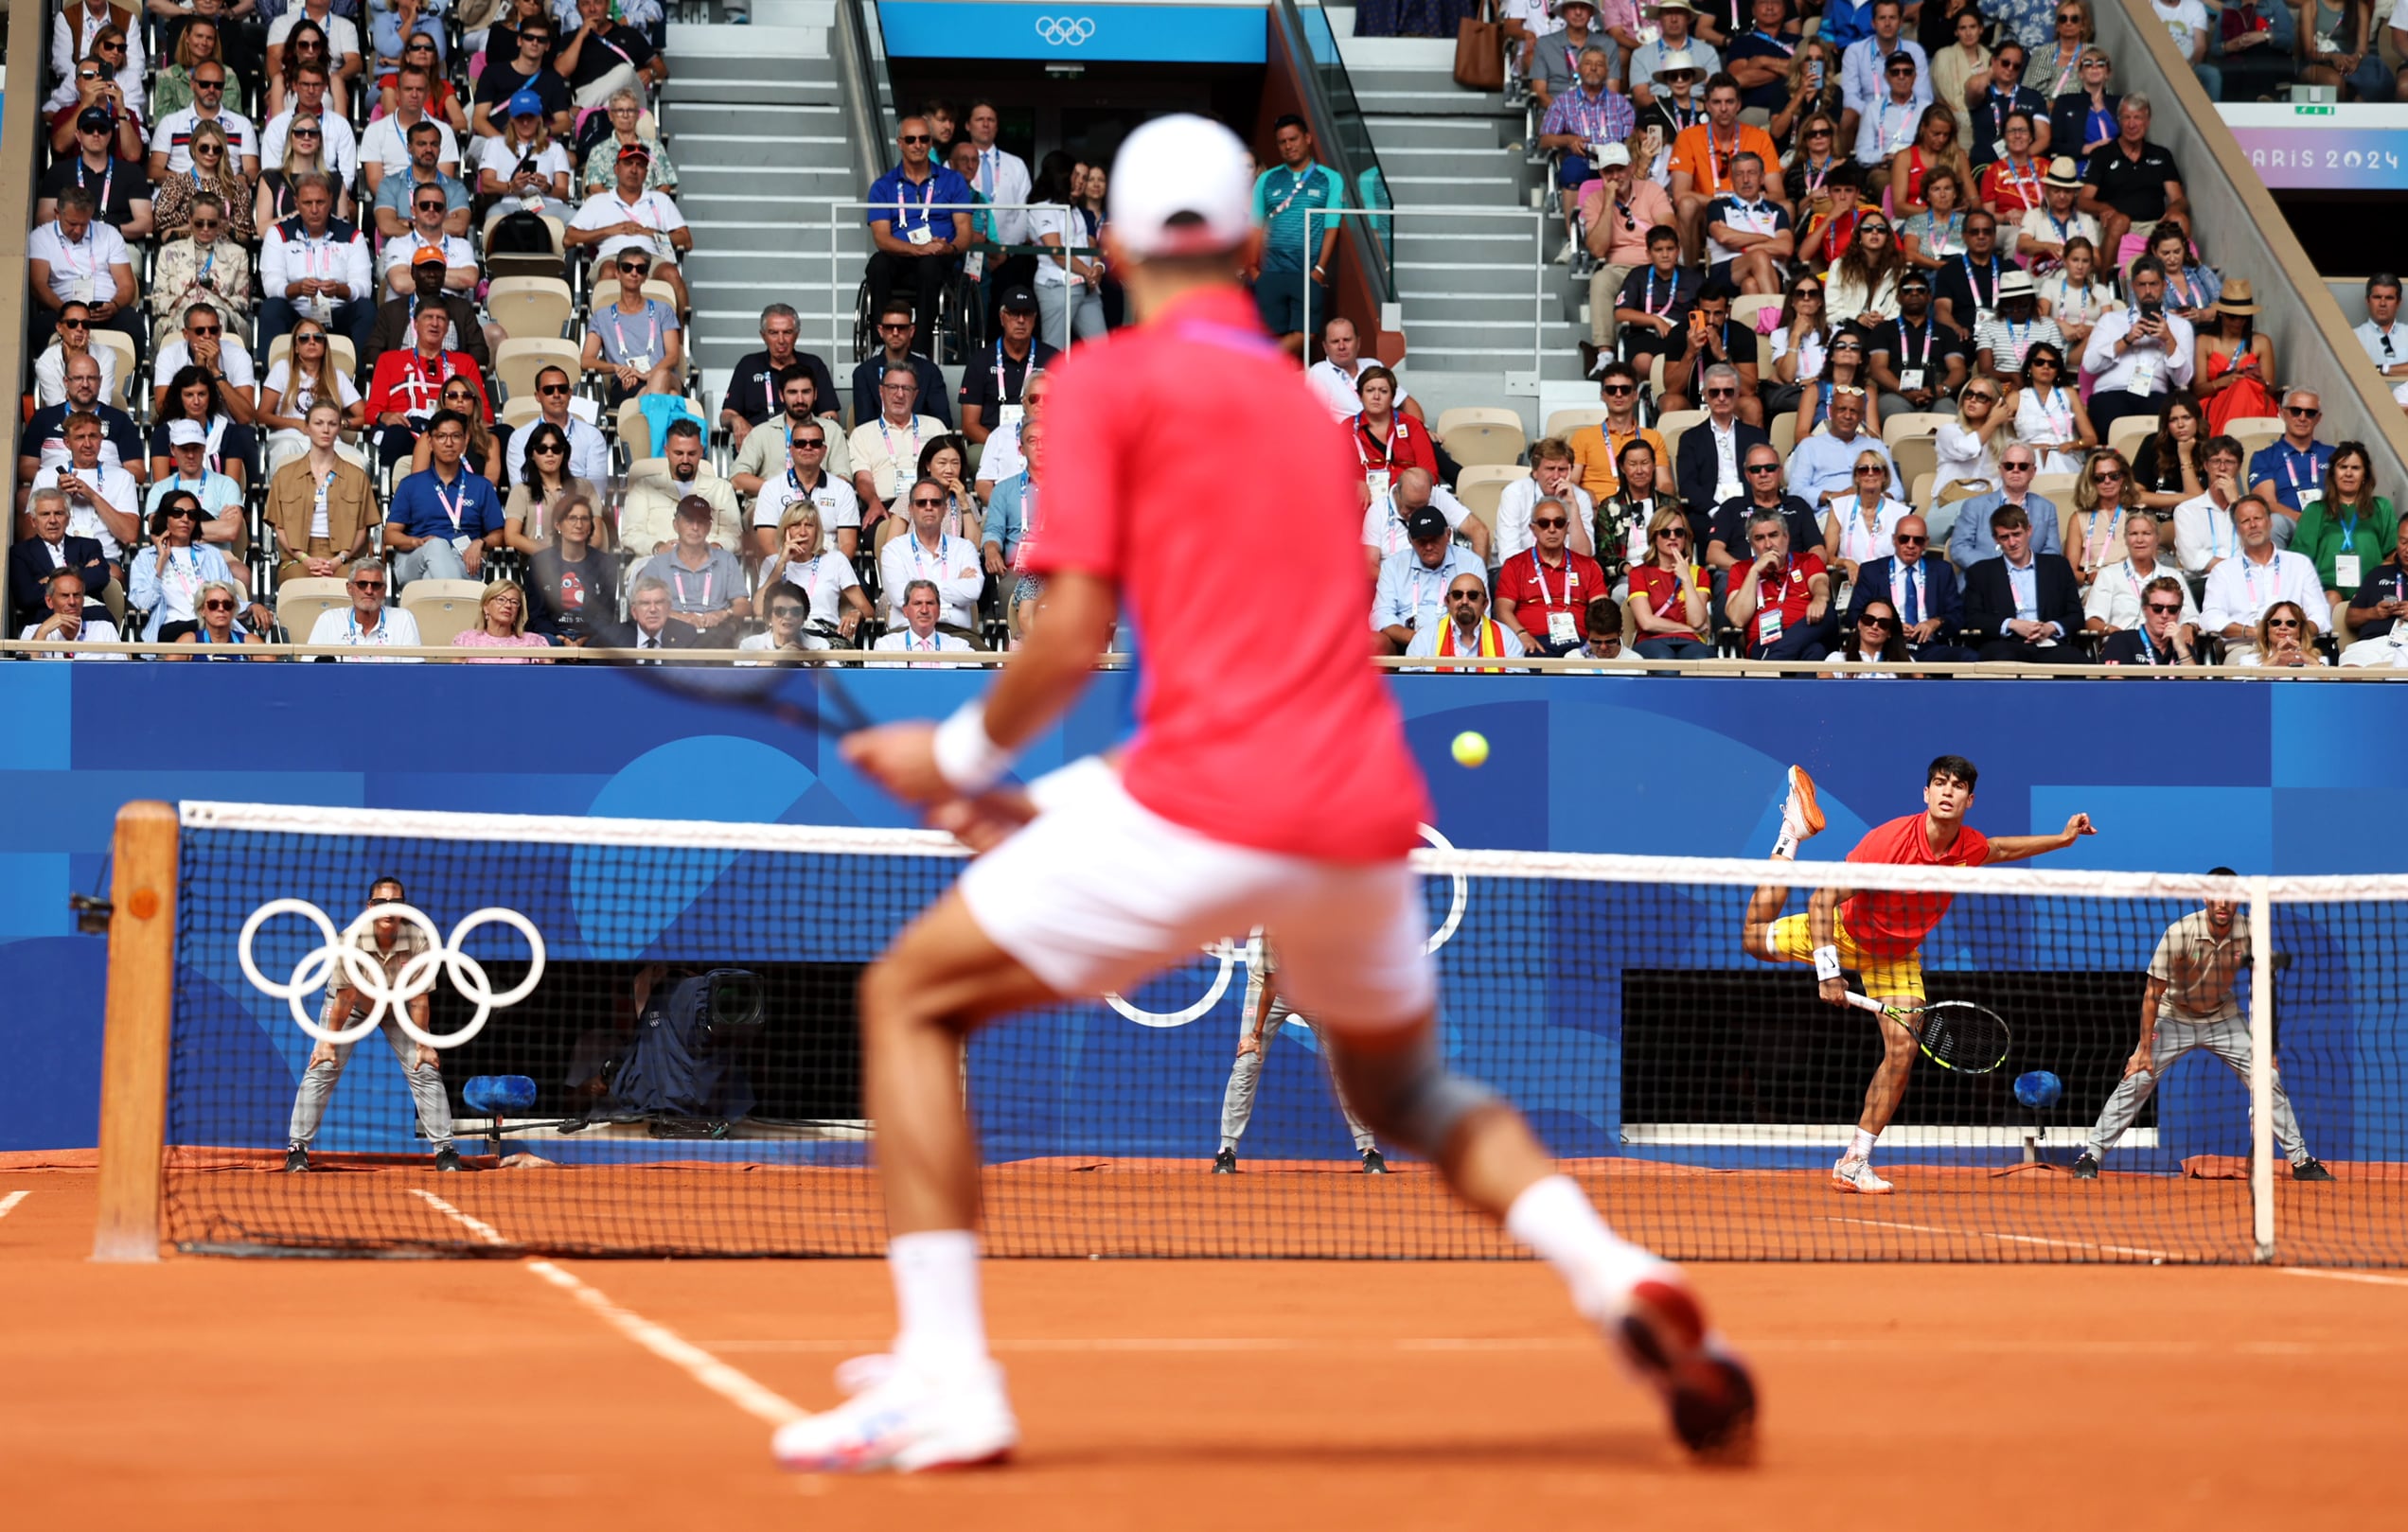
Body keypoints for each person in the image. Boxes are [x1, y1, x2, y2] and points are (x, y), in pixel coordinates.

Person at [818, 114, 1758, 1469]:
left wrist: (958, 758)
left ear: (1115, 248)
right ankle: (1609, 1268)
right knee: (1409, 1094)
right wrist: (1056, 806)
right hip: (1355, 804)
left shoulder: (1096, 385)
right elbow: (1263, 669)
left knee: (908, 995)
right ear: (1258, 248)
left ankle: (948, 1375)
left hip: (1211, 794)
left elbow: (1078, 630)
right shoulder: (1319, 421)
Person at [1742, 757, 2095, 1193]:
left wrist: (2062, 840)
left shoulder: (1967, 847)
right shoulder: (1887, 845)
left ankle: (1854, 1161)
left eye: (1958, 786)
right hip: (1845, 932)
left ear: (1970, 799)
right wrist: (1828, 972)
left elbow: (2000, 849)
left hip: (1895, 956)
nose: (1948, 792)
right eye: (1940, 784)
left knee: (1904, 1048)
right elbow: (1820, 900)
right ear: (1926, 794)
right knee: (1754, 939)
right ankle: (1791, 833)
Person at [2073, 885, 2332, 1180]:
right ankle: (2091, 1155)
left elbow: (2264, 989)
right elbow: (2151, 995)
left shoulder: (2250, 932)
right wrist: (2142, 1050)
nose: (2223, 902)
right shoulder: (2180, 932)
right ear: (2206, 897)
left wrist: (2266, 1047)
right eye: (2217, 895)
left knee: (2267, 1078)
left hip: (2223, 1018)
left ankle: (2301, 1161)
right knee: (2138, 1077)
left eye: (2230, 896)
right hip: (2174, 1017)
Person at [283, 877, 461, 1172]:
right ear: (370, 907)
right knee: (323, 1065)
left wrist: (423, 1044)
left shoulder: (419, 938)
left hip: (399, 1006)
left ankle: (445, 1149)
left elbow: (418, 997)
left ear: (404, 908)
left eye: (396, 903)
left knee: (424, 1066)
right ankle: (297, 1148)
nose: (388, 909)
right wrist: (328, 1042)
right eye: (381, 903)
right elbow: (345, 996)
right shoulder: (350, 939)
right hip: (354, 1005)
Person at [1211, 928, 1388, 1174]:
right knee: (1247, 1060)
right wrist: (1255, 1035)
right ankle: (1226, 1150)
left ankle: (1369, 1150)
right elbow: (1272, 984)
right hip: (1269, 989)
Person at [863, 116, 971, 354]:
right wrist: (917, 249)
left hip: (938, 258)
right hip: (900, 256)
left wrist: (949, 248)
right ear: (900, 143)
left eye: (924, 139)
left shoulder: (953, 181)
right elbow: (881, 238)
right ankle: (880, 344)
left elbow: (965, 233)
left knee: (929, 265)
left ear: (931, 143)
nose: (918, 144)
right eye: (911, 139)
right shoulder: (883, 186)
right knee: (877, 265)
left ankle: (920, 349)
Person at [1251, 115, 1345, 357]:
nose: (1288, 145)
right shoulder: (1266, 179)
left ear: (1307, 139)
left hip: (1307, 272)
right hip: (1270, 271)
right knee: (1268, 333)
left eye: (1293, 139)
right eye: (1282, 142)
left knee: (1306, 335)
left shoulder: (1330, 179)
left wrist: (1320, 270)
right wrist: (1254, 270)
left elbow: (1332, 227)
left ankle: (1261, 358)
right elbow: (1255, 227)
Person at [257, 173, 375, 355]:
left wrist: (339, 290)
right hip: (296, 315)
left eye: (320, 202)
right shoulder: (278, 234)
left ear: (330, 201)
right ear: (296, 203)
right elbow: (271, 286)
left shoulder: (352, 235)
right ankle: (271, 378)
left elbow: (364, 287)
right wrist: (297, 289)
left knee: (365, 308)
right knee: (271, 308)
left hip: (338, 313)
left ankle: (360, 378)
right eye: (307, 203)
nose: (314, 209)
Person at [383, 411, 505, 586]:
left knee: (430, 579)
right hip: (415, 557)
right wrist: (417, 542)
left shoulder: (481, 486)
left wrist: (480, 543)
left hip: (465, 560)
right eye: (441, 437)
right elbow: (390, 534)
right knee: (437, 546)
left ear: (464, 443)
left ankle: (444, 605)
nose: (449, 443)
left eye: (456, 436)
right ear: (430, 443)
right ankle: (455, 602)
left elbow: (499, 535)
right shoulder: (411, 484)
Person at [364, 299, 490, 467]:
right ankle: (396, 492)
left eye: (441, 318)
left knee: (500, 434)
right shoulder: (389, 360)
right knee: (395, 434)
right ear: (415, 324)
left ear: (447, 327)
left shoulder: (465, 362)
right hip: (406, 430)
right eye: (428, 317)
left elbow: (486, 413)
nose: (435, 323)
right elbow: (371, 411)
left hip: (455, 432)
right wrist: (384, 416)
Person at [567, 142, 690, 310]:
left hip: (650, 258)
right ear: (616, 169)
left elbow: (686, 240)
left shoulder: (660, 200)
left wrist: (653, 233)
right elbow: (569, 238)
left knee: (672, 274)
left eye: (640, 165)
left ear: (646, 173)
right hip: (612, 257)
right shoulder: (598, 201)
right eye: (628, 164)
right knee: (610, 271)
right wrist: (610, 230)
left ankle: (680, 334)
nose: (634, 170)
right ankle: (602, 333)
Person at [1538, 45, 1636, 257]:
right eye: (1588, 64)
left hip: (1613, 162)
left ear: (1607, 71)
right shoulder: (1563, 102)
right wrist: (1568, 139)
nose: (1593, 69)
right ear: (1579, 69)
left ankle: (1625, 239)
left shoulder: (1620, 103)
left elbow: (1630, 141)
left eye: (1599, 64)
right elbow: (1545, 140)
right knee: (1571, 168)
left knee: (1631, 170)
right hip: (1583, 159)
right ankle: (1573, 241)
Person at [264, 400, 377, 583]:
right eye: (318, 423)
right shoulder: (285, 475)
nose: (326, 429)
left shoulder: (356, 476)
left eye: (332, 424)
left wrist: (338, 559)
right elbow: (280, 527)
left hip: (344, 559)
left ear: (339, 428)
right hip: (296, 558)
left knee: (354, 585)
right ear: (307, 428)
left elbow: (361, 529)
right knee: (297, 586)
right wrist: (305, 559)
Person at [1669, 77, 1779, 263]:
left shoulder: (1759, 137)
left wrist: (1748, 201)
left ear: (1739, 105)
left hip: (1750, 211)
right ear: (1707, 105)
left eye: (1729, 101)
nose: (1723, 108)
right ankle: (1689, 273)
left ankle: (1777, 271)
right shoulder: (1687, 137)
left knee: (1786, 206)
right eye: (1717, 102)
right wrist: (1722, 203)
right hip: (1707, 215)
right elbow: (1680, 195)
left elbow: (1777, 193)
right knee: (1687, 206)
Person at [1960, 502, 2084, 661]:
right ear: (1995, 539)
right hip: (2005, 644)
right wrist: (2012, 624)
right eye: (2004, 537)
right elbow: (1972, 618)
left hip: (2050, 642)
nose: (2012, 543)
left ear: (2029, 530)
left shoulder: (2057, 566)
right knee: (1999, 659)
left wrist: (2050, 627)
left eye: (2016, 534)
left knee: (2078, 662)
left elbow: (2076, 615)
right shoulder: (1981, 572)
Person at [2076, 94, 2187, 269]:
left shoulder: (2161, 155)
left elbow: (2179, 199)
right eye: (2126, 117)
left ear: (2147, 121)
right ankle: (2104, 285)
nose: (2132, 124)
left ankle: (2184, 279)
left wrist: (2172, 211)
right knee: (2120, 221)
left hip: (2154, 226)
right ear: (2119, 120)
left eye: (2138, 117)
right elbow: (2082, 200)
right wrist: (2103, 208)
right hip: (2116, 226)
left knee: (2179, 218)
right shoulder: (2102, 155)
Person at [1848, 514, 1974, 660]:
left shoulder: (1942, 571)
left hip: (1929, 647)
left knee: (1969, 658)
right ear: (1894, 540)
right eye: (1904, 539)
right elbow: (1853, 615)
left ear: (1926, 542)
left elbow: (1958, 615)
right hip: (1886, 646)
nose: (1910, 545)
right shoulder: (1872, 571)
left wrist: (1936, 622)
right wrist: (1890, 626)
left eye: (1918, 540)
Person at [2289, 442, 2392, 618]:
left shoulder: (2381, 507)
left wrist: (2372, 584)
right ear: (2333, 473)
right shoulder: (2315, 510)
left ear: (2365, 474)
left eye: (2356, 468)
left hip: (2370, 588)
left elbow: (2393, 553)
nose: (2349, 473)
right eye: (2343, 467)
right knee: (2332, 599)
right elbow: (2299, 559)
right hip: (2327, 588)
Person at [29, 189, 142, 349]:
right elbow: (38, 285)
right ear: (57, 214)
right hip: (62, 308)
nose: (78, 230)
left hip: (104, 310)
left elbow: (127, 285)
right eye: (72, 224)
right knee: (41, 327)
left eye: (84, 224)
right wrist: (66, 311)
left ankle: (129, 374)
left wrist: (114, 305)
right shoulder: (41, 237)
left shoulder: (109, 234)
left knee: (133, 325)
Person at [1494, 498, 1607, 655]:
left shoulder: (1588, 565)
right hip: (1532, 642)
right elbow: (1502, 610)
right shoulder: (1515, 565)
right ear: (1533, 528)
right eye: (1544, 523)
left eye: (1559, 523)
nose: (1552, 529)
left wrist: (1595, 640)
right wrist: (1521, 635)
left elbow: (1603, 610)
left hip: (1580, 642)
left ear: (1567, 527)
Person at [32, 412, 142, 566]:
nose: (88, 444)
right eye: (79, 437)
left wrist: (93, 496)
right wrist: (59, 497)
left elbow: (129, 535)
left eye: (93, 436)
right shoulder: (45, 476)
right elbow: (32, 533)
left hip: (104, 559)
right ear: (67, 443)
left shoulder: (123, 477)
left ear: (101, 440)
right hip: (56, 559)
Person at [633, 494, 751, 639]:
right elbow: (641, 607)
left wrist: (724, 614)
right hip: (671, 633)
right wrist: (679, 617)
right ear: (675, 525)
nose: (695, 527)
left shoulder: (726, 560)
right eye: (689, 521)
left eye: (701, 522)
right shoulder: (657, 564)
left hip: (716, 633)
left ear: (709, 527)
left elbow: (743, 605)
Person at [723, 308, 841, 449]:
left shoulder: (813, 365)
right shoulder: (748, 365)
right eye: (773, 333)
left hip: (805, 446)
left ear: (797, 335)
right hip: (759, 447)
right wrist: (736, 420)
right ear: (763, 335)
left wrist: (822, 430)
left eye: (787, 332)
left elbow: (829, 414)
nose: (781, 340)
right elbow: (726, 414)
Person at [1373, 505, 1486, 653]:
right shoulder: (1392, 566)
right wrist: (1416, 638)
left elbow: (1480, 612)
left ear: (1448, 534)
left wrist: (1442, 640)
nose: (1428, 547)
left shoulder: (1471, 562)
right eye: (1421, 541)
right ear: (1410, 540)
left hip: (1456, 641)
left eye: (1434, 540)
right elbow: (1382, 615)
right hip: (1404, 640)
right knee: (1373, 642)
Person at [877, 480, 985, 632]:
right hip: (906, 632)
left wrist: (916, 589)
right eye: (921, 503)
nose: (928, 507)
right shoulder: (893, 549)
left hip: (957, 633)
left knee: (986, 655)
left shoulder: (964, 547)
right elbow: (898, 596)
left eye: (935, 502)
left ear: (945, 509)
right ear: (910, 509)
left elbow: (973, 590)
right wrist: (955, 585)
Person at [751, 417, 861, 563]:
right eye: (800, 443)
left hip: (830, 572)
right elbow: (767, 544)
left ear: (824, 450)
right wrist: (786, 573)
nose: (808, 447)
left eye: (815, 443)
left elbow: (848, 544)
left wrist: (831, 574)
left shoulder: (843, 489)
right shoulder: (771, 489)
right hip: (786, 571)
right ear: (791, 450)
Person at [1726, 505, 1832, 659]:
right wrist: (1754, 571)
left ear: (1786, 537)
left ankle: (1773, 662)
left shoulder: (1807, 560)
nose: (1768, 544)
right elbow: (1738, 619)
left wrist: (1820, 598)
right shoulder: (1741, 569)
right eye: (1759, 538)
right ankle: (1777, 659)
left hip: (1807, 634)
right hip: (1765, 643)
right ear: (1752, 544)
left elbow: (1819, 583)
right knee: (1816, 651)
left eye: (1773, 535)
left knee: (1828, 613)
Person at [581, 245, 682, 402]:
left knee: (661, 376)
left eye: (640, 269)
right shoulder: (602, 316)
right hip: (626, 382)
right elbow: (586, 360)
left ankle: (641, 412)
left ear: (645, 276)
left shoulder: (663, 310)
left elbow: (673, 356)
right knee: (671, 397)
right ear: (618, 273)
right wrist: (617, 368)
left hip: (664, 375)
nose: (634, 273)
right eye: (628, 268)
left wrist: (647, 375)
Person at [624, 421, 741, 555]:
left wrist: (716, 546)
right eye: (678, 453)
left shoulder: (721, 489)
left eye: (691, 454)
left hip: (708, 564)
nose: (685, 460)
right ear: (667, 451)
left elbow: (735, 536)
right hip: (654, 561)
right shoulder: (644, 487)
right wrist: (659, 547)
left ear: (701, 452)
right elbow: (631, 534)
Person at [761, 502, 874, 643]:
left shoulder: (836, 559)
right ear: (785, 531)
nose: (803, 532)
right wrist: (782, 562)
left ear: (817, 531)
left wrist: (857, 613)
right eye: (796, 525)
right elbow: (758, 609)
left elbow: (868, 611)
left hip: (824, 635)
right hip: (784, 635)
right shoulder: (772, 563)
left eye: (809, 525)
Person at [9, 487, 114, 632]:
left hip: (92, 618)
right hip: (44, 623)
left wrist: (50, 580)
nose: (52, 520)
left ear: (68, 518)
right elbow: (26, 597)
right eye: (45, 514)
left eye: (58, 513)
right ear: (33, 521)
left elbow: (100, 578)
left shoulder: (88, 545)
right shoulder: (20, 552)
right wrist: (82, 571)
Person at [1867, 269, 1968, 419]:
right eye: (1907, 290)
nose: (1914, 293)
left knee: (1950, 416)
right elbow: (1877, 368)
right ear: (1898, 298)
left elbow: (1958, 369)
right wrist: (1904, 392)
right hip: (1895, 394)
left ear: (1929, 297)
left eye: (1920, 290)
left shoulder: (1945, 332)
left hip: (1937, 395)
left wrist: (1942, 389)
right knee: (1895, 416)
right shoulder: (1884, 329)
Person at [2082, 504, 2197, 637]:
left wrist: (2188, 627)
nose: (2140, 540)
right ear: (2125, 538)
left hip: (2165, 645)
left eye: (2146, 534)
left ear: (2157, 538)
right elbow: (2091, 621)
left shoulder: (2173, 575)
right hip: (2123, 644)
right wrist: (2112, 631)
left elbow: (2192, 618)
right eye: (2133, 534)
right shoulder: (2108, 575)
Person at [959, 288, 1054, 445]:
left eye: (1027, 314)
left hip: (1043, 443)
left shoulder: (1053, 359)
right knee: (974, 456)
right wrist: (1000, 446)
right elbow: (969, 425)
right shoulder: (980, 360)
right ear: (1002, 318)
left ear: (1035, 318)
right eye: (1014, 313)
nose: (1021, 320)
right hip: (991, 443)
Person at [1030, 151, 1108, 343]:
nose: (1079, 181)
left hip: (1086, 287)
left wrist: (1097, 269)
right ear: (1062, 177)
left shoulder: (1077, 210)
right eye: (1075, 175)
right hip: (1057, 285)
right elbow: (1056, 252)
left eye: (1083, 177)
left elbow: (1089, 244)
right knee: (1055, 350)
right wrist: (1089, 272)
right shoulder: (1043, 207)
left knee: (1101, 348)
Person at [1607, 224, 1701, 381]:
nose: (1665, 255)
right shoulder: (1638, 275)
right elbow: (1620, 313)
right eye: (1658, 250)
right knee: (1644, 363)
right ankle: (1649, 398)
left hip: (1681, 336)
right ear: (1649, 253)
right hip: (1645, 334)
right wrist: (1655, 320)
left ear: (1678, 251)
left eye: (1670, 249)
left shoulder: (1694, 277)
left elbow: (1704, 310)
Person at [1675, 363, 1771, 518]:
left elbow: (1768, 477)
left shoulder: (1756, 436)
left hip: (1754, 512)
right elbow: (1688, 486)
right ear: (1704, 394)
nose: (1721, 398)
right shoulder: (1690, 439)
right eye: (1714, 392)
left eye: (1728, 392)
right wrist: (1715, 511)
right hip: (1708, 513)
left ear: (1738, 394)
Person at [852, 364, 952, 510]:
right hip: (885, 505)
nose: (899, 394)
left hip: (931, 505)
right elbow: (863, 479)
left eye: (906, 388)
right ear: (881, 391)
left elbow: (950, 470)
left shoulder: (936, 427)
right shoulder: (862, 434)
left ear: (915, 394)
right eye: (893, 387)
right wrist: (874, 503)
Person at [525, 494, 621, 646]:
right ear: (558, 525)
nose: (579, 525)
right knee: (544, 642)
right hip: (551, 633)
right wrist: (562, 639)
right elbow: (537, 615)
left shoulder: (606, 563)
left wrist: (583, 640)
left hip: (591, 635)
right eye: (572, 518)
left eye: (584, 519)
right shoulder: (539, 562)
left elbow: (605, 616)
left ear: (591, 525)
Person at [1571, 362, 1673, 503]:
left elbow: (1664, 484)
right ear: (1602, 395)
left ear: (1635, 395)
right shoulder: (1583, 437)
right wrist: (1586, 497)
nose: (1618, 394)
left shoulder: (1653, 438)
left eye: (1625, 389)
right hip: (1596, 511)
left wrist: (1661, 506)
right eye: (1611, 390)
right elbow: (1572, 482)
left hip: (1640, 509)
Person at [1783, 384, 1897, 509]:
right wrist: (1834, 496)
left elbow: (1896, 489)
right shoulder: (1809, 446)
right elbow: (1796, 491)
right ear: (1831, 411)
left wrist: (1872, 497)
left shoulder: (1876, 446)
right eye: (1842, 409)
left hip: (1874, 511)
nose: (1847, 416)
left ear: (1861, 416)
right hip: (1828, 511)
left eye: (1853, 411)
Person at [148, 60, 259, 183]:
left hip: (227, 192)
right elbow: (154, 171)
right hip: (182, 193)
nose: (211, 90)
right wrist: (189, 181)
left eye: (218, 85)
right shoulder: (170, 123)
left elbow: (252, 170)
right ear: (192, 85)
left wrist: (242, 178)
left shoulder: (242, 125)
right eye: (205, 84)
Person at [145, 418, 248, 551]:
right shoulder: (159, 489)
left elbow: (231, 531)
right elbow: (158, 533)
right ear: (172, 449)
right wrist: (216, 525)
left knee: (241, 571)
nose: (190, 455)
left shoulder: (226, 484)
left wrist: (178, 529)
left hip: (217, 559)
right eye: (184, 449)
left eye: (196, 448)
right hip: (173, 559)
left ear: (204, 448)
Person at [1624, 506, 1715, 657]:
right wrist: (1687, 629)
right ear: (1654, 537)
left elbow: (1697, 621)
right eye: (1665, 533)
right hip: (1652, 641)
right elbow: (1647, 622)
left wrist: (1686, 578)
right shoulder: (1639, 573)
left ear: (1686, 537)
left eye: (1679, 532)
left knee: (1700, 658)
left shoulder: (1699, 573)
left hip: (1692, 642)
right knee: (1663, 660)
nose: (1673, 537)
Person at [260, 61, 362, 194]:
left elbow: (347, 175)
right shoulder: (277, 125)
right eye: (305, 85)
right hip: (287, 193)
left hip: (329, 194)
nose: (311, 90)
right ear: (294, 86)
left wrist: (332, 197)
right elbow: (270, 171)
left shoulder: (340, 124)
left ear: (325, 86)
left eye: (316, 85)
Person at [1821, 449, 1913, 594]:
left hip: (1888, 584)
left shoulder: (1900, 513)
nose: (1870, 473)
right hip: (1850, 583)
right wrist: (1846, 562)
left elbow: (1908, 557)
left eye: (1876, 469)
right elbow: (1826, 556)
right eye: (1863, 469)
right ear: (1856, 477)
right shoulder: (1840, 506)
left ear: (1884, 476)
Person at [2247, 390, 2335, 539]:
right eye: (2296, 411)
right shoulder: (2264, 457)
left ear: (2318, 418)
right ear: (2282, 413)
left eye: (2310, 413)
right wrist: (2305, 520)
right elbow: (2266, 503)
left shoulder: (2334, 454)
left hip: (2331, 524)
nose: (2302, 418)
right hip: (2291, 526)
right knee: (2274, 522)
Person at [504, 365, 610, 488]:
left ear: (570, 394)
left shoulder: (592, 436)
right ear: (537, 396)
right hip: (536, 505)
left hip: (580, 504)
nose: (556, 394)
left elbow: (596, 490)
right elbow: (520, 489)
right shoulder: (519, 438)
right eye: (549, 390)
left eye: (562, 389)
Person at [1838, 0, 1927, 146]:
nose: (1887, 23)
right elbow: (1849, 97)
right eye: (1882, 18)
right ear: (1873, 23)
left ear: (1900, 22)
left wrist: (1895, 114)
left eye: (1892, 18)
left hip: (1905, 113)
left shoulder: (1915, 51)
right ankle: (1845, 165)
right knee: (1847, 116)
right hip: (1866, 115)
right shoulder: (1855, 51)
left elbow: (1924, 96)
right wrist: (1876, 115)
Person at [851, 301, 953, 428]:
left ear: (911, 331)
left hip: (921, 442)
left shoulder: (930, 371)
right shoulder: (863, 373)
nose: (895, 333)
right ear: (880, 331)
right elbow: (863, 425)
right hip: (877, 444)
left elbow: (943, 422)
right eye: (889, 327)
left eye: (901, 328)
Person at [554, 0, 666, 111]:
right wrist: (581, 35)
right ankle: (586, 113)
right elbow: (561, 71)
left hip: (631, 96)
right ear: (578, 9)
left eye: (598, 3)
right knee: (610, 103)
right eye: (585, 4)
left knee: (625, 70)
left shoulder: (630, 34)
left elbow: (662, 70)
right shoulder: (570, 38)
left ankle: (576, 114)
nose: (592, 9)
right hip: (590, 95)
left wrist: (651, 72)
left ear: (607, 5)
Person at [1403, 572, 1528, 669]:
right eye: (1457, 595)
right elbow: (1410, 686)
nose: (1464, 601)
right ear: (1447, 602)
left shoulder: (1506, 637)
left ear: (1485, 604)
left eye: (1472, 596)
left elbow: (1518, 686)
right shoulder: (1425, 638)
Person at [303, 557, 424, 658]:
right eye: (362, 584)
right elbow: (308, 670)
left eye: (376, 585)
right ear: (349, 588)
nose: (369, 590)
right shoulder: (329, 620)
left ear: (384, 590)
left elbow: (415, 674)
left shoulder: (403, 619)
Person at [369, 119, 469, 240]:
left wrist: (409, 223)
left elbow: (459, 227)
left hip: (444, 253)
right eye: (422, 144)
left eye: (434, 144)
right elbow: (386, 227)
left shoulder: (456, 188)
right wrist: (436, 226)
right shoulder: (389, 184)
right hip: (401, 254)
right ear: (409, 148)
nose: (428, 149)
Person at [472, 13, 570, 137]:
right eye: (529, 37)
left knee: (569, 157)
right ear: (519, 41)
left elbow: (565, 122)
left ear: (547, 46)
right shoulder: (492, 72)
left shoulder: (553, 79)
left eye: (541, 39)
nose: (535, 43)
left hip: (534, 143)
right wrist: (504, 146)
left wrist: (544, 132)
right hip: (492, 141)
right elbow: (479, 120)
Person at [1308, 316, 1420, 423]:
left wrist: (1422, 430)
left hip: (1383, 436)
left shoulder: (1372, 365)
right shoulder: (1319, 372)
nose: (1341, 346)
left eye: (1347, 340)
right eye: (1335, 341)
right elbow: (1315, 420)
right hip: (1345, 438)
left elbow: (1405, 402)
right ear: (1325, 347)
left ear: (1358, 343)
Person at [476, 88, 572, 212]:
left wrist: (547, 187)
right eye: (520, 117)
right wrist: (511, 186)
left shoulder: (555, 148)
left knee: (571, 219)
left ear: (539, 118)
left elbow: (564, 193)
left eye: (530, 117)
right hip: (510, 202)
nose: (525, 122)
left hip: (547, 204)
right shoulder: (495, 144)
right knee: (495, 215)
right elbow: (486, 185)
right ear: (511, 119)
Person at [381, 174, 477, 297]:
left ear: (445, 213)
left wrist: (419, 275)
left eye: (437, 206)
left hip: (450, 313)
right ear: (413, 211)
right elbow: (400, 283)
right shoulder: (397, 244)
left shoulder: (462, 245)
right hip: (407, 313)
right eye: (425, 205)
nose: (431, 210)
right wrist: (452, 278)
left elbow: (470, 279)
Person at [2008, 339, 2091, 476]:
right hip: (2027, 460)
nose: (2046, 367)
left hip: (2065, 457)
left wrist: (2072, 445)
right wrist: (2028, 448)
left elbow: (2090, 438)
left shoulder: (2069, 394)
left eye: (2052, 364)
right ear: (2029, 367)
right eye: (2039, 362)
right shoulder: (2016, 397)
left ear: (2057, 370)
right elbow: (1995, 432)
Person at [2059, 449, 2137, 589]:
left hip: (2131, 584)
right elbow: (2069, 572)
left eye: (2113, 476)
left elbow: (2151, 564)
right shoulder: (2079, 519)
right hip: (2094, 586)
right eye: (2099, 478)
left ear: (2123, 478)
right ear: (2091, 482)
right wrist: (2088, 577)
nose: (2107, 481)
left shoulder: (2138, 514)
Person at [578, 88, 676, 194]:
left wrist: (645, 203)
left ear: (638, 115)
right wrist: (623, 203)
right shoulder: (599, 151)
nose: (625, 115)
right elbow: (595, 189)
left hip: (648, 206)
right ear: (611, 116)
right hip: (611, 207)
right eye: (620, 111)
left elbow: (665, 186)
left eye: (630, 110)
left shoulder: (655, 148)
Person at [2013, 157, 2098, 276]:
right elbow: (2022, 244)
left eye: (2067, 191)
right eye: (2057, 191)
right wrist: (2047, 246)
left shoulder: (2085, 220)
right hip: (2043, 281)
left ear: (2074, 193)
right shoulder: (2033, 215)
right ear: (2046, 190)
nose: (2062, 196)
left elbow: (2097, 259)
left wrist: (2074, 255)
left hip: (2078, 281)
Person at [2035, 233, 2115, 357]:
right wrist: (2061, 324)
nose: (2080, 266)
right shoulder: (2050, 285)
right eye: (2075, 260)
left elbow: (2110, 326)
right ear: (2065, 261)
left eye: (2085, 261)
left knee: (2098, 340)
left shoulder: (2100, 291)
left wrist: (2089, 330)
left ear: (2091, 264)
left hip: (2091, 344)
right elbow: (2040, 319)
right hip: (2056, 345)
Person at [17, 569, 125, 660]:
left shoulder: (105, 629)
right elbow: (27, 677)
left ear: (83, 600)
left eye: (77, 595)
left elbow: (121, 676)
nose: (72, 602)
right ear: (49, 601)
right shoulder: (33, 632)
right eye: (65, 596)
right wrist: (43, 631)